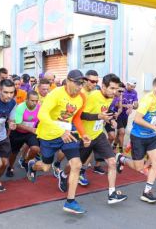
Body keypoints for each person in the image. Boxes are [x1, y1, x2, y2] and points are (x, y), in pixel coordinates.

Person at [27, 70, 91, 214]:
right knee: (45, 167)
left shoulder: (81, 98)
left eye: (82, 83)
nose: (80, 86)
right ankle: (32, 165)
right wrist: (59, 131)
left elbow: (76, 118)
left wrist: (83, 134)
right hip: (48, 135)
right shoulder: (55, 94)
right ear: (68, 81)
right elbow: (41, 115)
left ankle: (70, 202)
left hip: (68, 134)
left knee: (77, 164)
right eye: (77, 83)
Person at [116, 77, 156, 203]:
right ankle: (121, 159)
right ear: (155, 87)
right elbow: (137, 119)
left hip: (151, 136)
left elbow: (152, 115)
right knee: (138, 167)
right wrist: (155, 128)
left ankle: (146, 192)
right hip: (138, 137)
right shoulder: (148, 99)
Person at [78, 73, 128, 204]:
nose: (114, 92)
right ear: (103, 86)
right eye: (111, 88)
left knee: (112, 162)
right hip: (85, 137)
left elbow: (104, 113)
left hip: (99, 135)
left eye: (116, 89)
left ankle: (112, 194)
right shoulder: (93, 96)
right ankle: (64, 175)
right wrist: (99, 117)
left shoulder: (110, 97)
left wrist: (110, 120)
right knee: (75, 166)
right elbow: (81, 115)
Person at [6, 90, 40, 177]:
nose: (34, 103)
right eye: (32, 100)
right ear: (26, 100)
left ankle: (25, 161)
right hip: (17, 133)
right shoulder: (20, 107)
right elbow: (17, 124)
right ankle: (10, 167)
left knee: (36, 149)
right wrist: (32, 129)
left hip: (30, 133)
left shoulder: (39, 107)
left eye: (36, 101)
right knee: (14, 153)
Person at [114, 78, 138, 153]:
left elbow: (136, 105)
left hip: (125, 116)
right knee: (122, 132)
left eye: (134, 87)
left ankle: (113, 147)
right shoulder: (121, 91)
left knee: (119, 133)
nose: (133, 88)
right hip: (118, 114)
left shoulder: (134, 92)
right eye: (131, 86)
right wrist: (126, 106)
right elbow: (116, 104)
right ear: (127, 84)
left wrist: (132, 106)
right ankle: (121, 151)